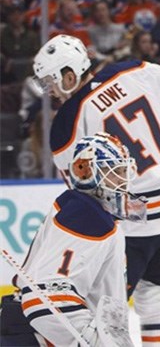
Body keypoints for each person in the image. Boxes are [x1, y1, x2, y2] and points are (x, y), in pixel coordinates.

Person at [32, 34, 160, 345]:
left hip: (135, 224)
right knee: (157, 306)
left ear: (69, 75)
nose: (50, 91)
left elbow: (84, 193)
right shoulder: (134, 70)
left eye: (51, 81)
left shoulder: (67, 123)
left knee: (104, 311)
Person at [0, 132, 140, 347]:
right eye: (114, 171)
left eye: (123, 171)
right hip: (35, 337)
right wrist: (95, 341)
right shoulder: (87, 216)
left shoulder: (88, 211)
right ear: (84, 172)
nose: (123, 180)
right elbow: (44, 298)